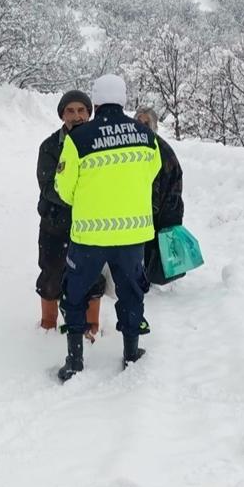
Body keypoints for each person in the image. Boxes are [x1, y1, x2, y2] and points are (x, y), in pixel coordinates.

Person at [54, 75, 161, 381]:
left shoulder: (79, 138)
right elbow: (150, 174)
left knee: (75, 294)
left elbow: (64, 188)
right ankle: (131, 352)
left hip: (90, 235)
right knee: (131, 292)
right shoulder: (145, 135)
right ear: (124, 100)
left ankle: (74, 360)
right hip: (132, 235)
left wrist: (91, 200)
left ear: (96, 102)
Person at [35, 90, 106, 338]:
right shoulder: (50, 146)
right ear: (62, 115)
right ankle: (48, 324)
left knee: (92, 276)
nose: (76, 116)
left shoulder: (100, 143)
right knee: (51, 272)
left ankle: (91, 326)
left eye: (81, 110)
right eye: (70, 111)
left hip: (91, 225)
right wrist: (81, 199)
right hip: (55, 224)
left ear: (89, 113)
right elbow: (47, 186)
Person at [134, 107, 184, 285]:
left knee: (157, 250)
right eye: (138, 122)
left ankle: (152, 277)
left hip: (160, 210)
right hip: (137, 209)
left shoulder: (163, 150)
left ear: (154, 126)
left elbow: (175, 180)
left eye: (146, 123)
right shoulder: (130, 148)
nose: (142, 126)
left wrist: (170, 210)